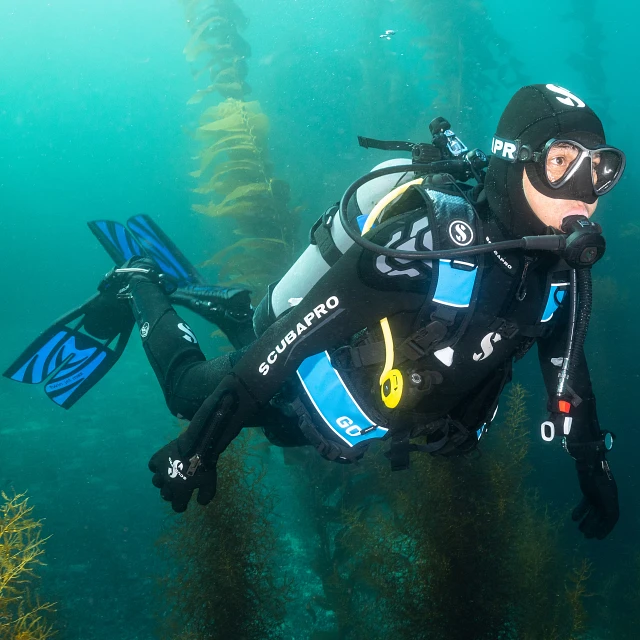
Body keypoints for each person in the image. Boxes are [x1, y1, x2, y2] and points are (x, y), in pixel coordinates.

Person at [102, 84, 626, 539]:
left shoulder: (563, 272)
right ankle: (142, 283)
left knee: (280, 407)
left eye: (600, 168)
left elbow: (568, 376)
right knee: (186, 393)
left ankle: (238, 307)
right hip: (295, 375)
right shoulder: (421, 247)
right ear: (515, 163)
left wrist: (593, 466)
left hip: (350, 411)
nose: (585, 192)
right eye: (561, 162)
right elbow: (278, 352)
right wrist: (199, 447)